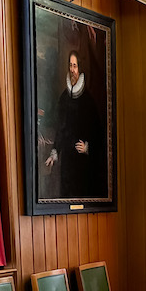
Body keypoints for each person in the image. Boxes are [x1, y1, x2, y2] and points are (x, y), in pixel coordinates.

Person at [43, 49, 106, 200]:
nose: (72, 70)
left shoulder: (88, 101)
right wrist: (55, 153)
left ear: (80, 69)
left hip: (83, 166)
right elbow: (61, 129)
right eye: (70, 66)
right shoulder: (64, 98)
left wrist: (87, 147)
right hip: (67, 165)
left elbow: (99, 134)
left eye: (75, 66)